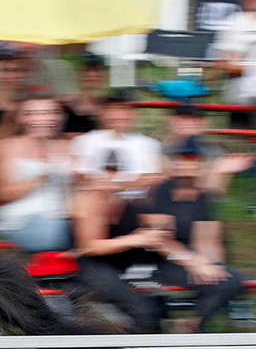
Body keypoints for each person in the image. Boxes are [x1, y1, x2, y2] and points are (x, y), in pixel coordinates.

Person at [71, 137, 246, 335]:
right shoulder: (89, 200)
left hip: (124, 267)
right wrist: (135, 239)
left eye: (117, 169)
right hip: (94, 267)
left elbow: (158, 238)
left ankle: (177, 341)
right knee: (146, 313)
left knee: (156, 310)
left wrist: (194, 261)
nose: (111, 175)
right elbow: (88, 246)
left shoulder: (130, 201)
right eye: (106, 169)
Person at [0, 94, 74, 252]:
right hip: (24, 218)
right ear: (22, 118)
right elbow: (2, 192)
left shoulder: (69, 145)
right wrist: (42, 177)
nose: (46, 119)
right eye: (36, 114)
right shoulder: (10, 146)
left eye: (52, 112)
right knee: (61, 233)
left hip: (64, 216)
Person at [71, 91, 163, 199]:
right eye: (112, 109)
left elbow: (150, 178)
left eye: (123, 109)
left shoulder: (149, 144)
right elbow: (78, 176)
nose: (118, 115)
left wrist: (117, 186)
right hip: (94, 202)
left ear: (134, 113)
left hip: (134, 203)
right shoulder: (83, 141)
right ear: (102, 113)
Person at [162, 103, 254, 195]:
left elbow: (214, 193)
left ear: (203, 122)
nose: (189, 123)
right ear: (172, 121)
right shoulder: (160, 150)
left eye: (195, 119)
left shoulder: (214, 151)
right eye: (183, 118)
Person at [213, 0, 256, 127]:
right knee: (241, 147)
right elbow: (223, 64)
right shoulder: (233, 23)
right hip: (241, 101)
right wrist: (250, 68)